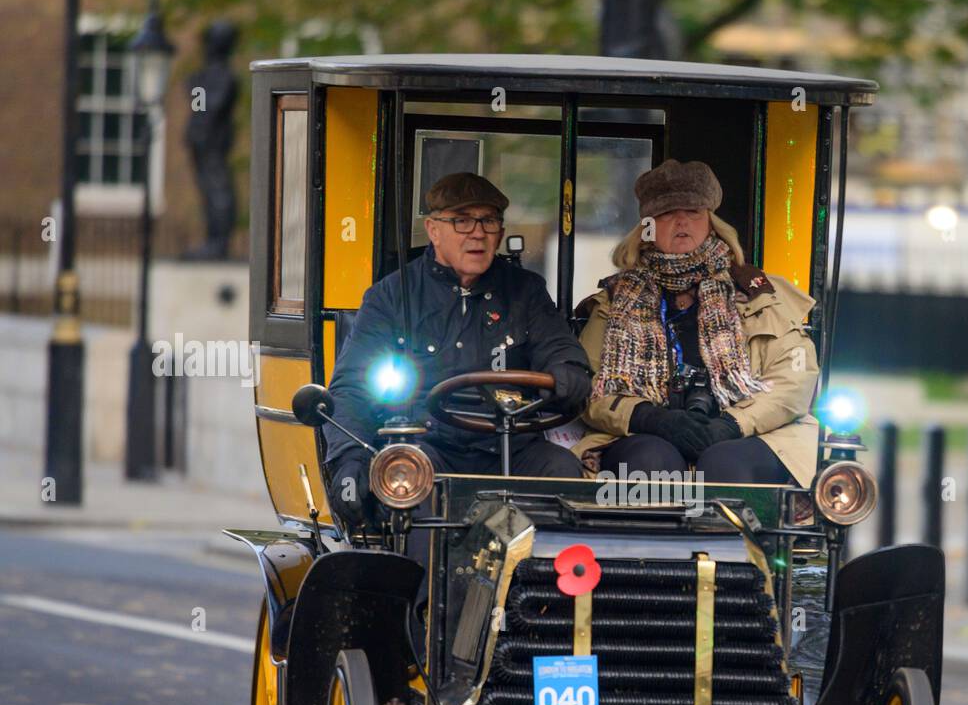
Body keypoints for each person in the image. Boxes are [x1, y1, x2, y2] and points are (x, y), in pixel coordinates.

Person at [323, 172, 591, 527]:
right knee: (406, 477)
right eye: (462, 221)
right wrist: (348, 458)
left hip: (510, 446)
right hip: (430, 445)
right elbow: (353, 386)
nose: (478, 232)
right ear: (433, 230)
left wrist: (568, 372)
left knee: (561, 469)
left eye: (489, 220)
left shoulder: (527, 291)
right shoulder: (391, 296)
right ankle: (424, 582)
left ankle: (546, 582)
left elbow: (561, 349)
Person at [571, 159, 819, 488]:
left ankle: (729, 542)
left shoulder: (759, 293)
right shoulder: (614, 302)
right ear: (647, 227)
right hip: (646, 434)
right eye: (667, 213)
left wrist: (731, 424)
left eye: (693, 212)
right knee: (649, 461)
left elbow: (793, 381)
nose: (681, 221)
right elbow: (588, 390)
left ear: (711, 223)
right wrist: (650, 417)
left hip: (751, 433)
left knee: (724, 463)